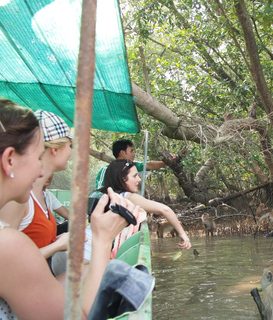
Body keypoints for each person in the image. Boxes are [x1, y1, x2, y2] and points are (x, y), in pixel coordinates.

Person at [0, 99, 133, 319]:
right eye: (37, 156)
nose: (42, 173)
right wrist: (102, 239)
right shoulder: (8, 242)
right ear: (9, 160)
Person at [0, 110, 73, 274]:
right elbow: (6, 265)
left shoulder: (43, 195)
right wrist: (57, 246)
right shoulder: (20, 198)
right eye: (70, 145)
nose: (71, 152)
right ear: (55, 148)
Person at [85, 159, 191, 261]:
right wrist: (183, 234)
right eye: (135, 176)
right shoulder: (127, 197)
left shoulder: (104, 194)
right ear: (122, 179)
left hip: (87, 245)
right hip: (92, 252)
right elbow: (165, 209)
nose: (139, 180)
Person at [95, 139, 175, 189]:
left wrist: (166, 161)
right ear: (122, 153)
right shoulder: (105, 170)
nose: (133, 154)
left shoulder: (132, 167)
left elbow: (149, 165)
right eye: (131, 151)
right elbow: (99, 191)